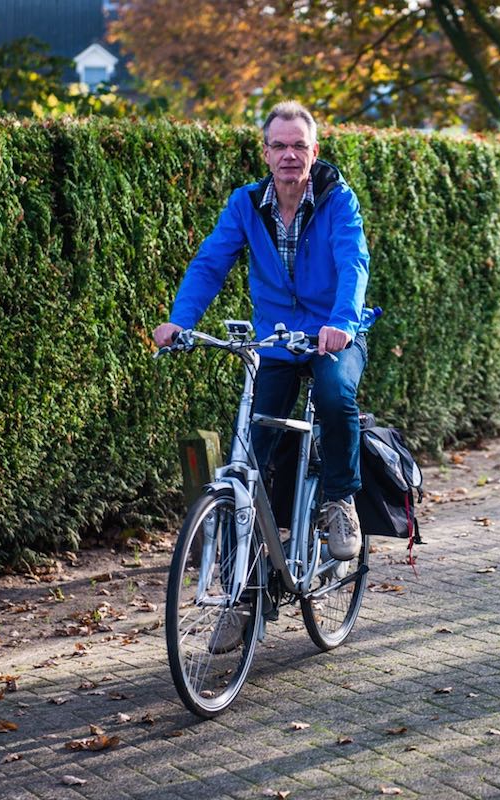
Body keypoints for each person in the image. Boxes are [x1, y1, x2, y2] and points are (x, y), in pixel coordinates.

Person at [153, 100, 370, 562]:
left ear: (314, 151)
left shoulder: (337, 199)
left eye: (299, 146)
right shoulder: (246, 204)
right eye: (279, 146)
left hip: (334, 333)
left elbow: (354, 262)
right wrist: (181, 321)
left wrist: (342, 323)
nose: (289, 154)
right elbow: (210, 264)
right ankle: (246, 569)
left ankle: (340, 501)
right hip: (278, 339)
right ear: (266, 152)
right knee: (253, 445)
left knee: (334, 396)